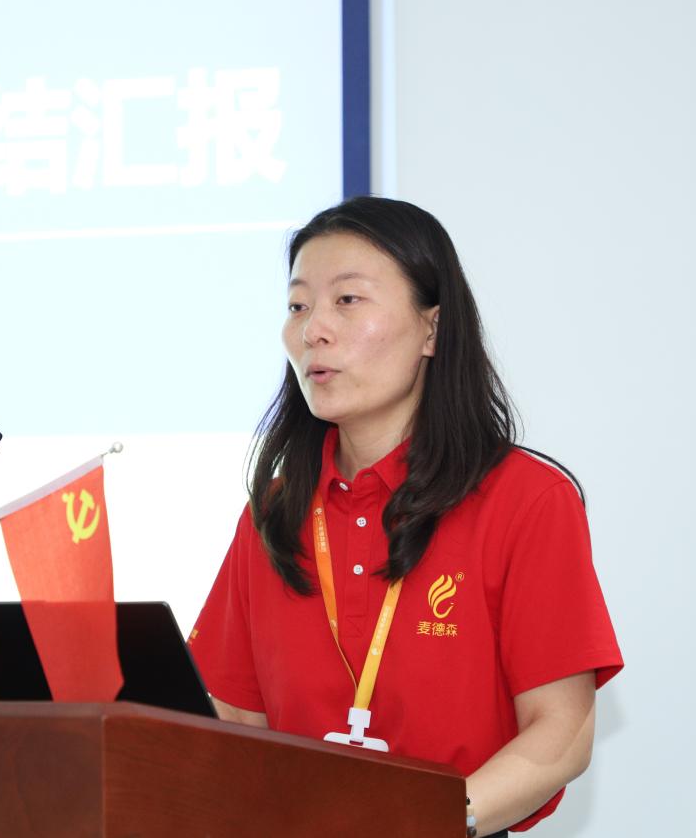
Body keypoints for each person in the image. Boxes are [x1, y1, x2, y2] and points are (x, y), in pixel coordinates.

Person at [188, 196, 623, 836]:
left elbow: (561, 730)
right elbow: (232, 724)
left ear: (432, 330)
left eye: (347, 300)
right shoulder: (275, 512)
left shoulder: (526, 499)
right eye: (298, 306)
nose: (313, 330)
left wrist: (431, 823)